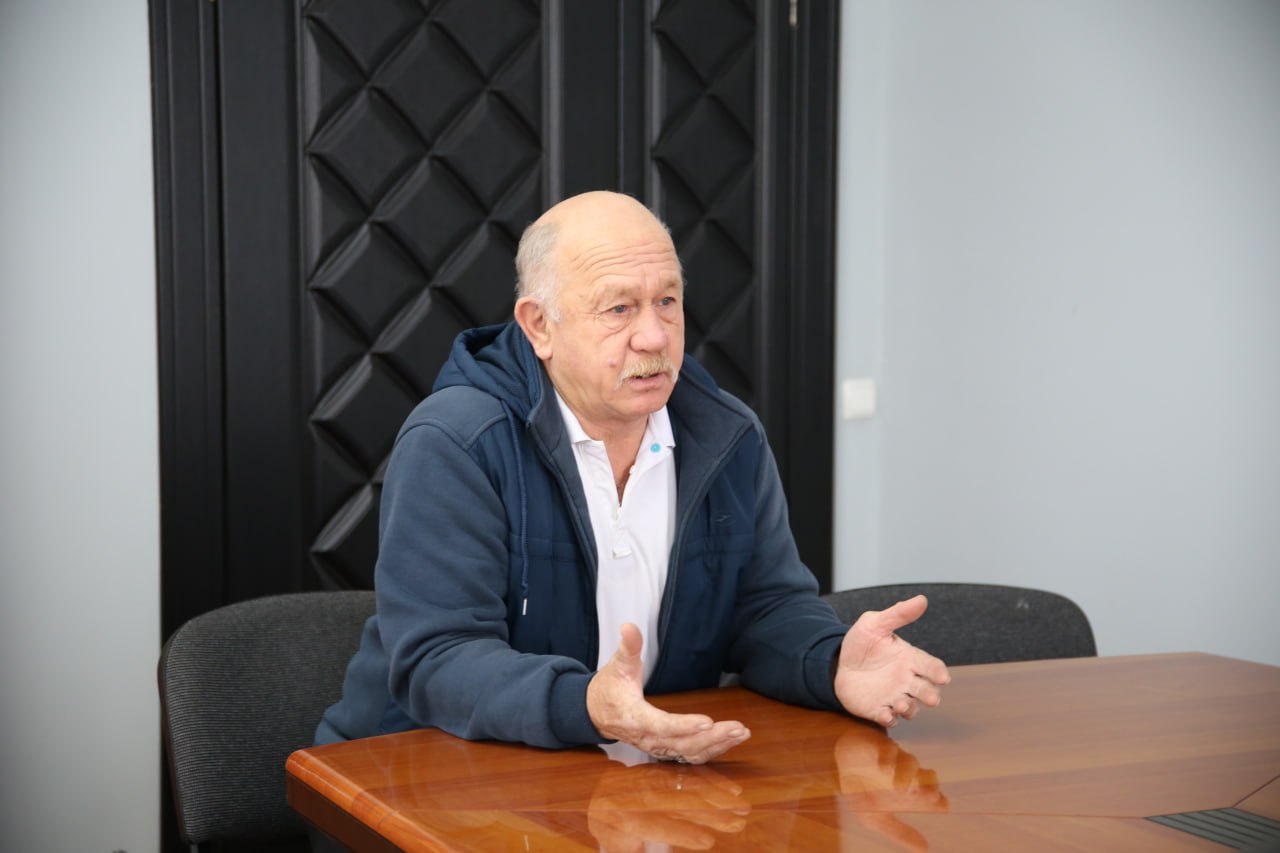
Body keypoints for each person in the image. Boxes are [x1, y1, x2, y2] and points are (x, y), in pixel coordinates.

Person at [315, 191, 949, 764]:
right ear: (539, 326)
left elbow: (765, 609)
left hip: (631, 781)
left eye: (666, 302)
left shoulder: (727, 434)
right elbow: (439, 659)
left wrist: (831, 665)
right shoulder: (458, 440)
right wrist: (586, 705)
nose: (653, 336)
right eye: (618, 308)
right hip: (421, 775)